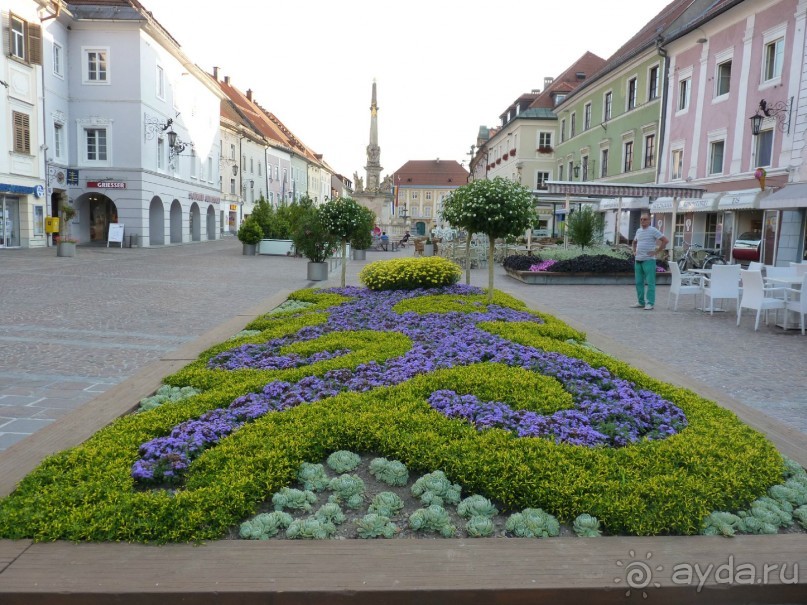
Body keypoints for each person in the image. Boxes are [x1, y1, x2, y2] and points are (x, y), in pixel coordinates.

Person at [631, 213, 668, 310]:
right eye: (641, 219)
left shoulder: (653, 230)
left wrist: (656, 252)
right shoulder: (638, 231)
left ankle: (650, 303)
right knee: (639, 283)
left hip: (649, 260)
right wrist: (634, 251)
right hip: (638, 260)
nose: (642, 221)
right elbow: (634, 242)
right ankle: (641, 302)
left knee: (650, 283)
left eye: (645, 219)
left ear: (649, 221)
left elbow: (665, 240)